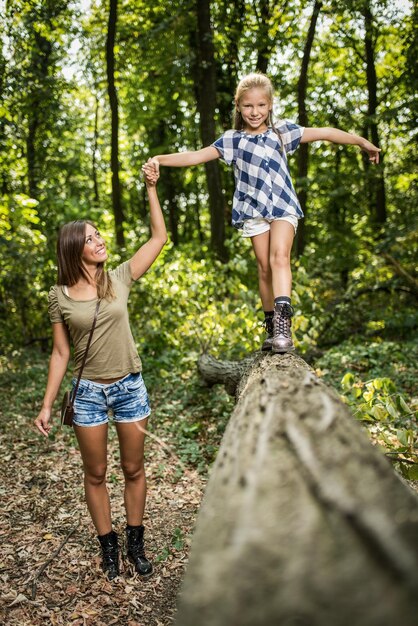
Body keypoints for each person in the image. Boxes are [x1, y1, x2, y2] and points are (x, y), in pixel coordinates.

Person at [143, 72, 380, 352]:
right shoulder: (233, 140)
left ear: (270, 105)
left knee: (279, 256)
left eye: (261, 105)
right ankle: (270, 327)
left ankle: (283, 328)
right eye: (247, 106)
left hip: (282, 205)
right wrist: (159, 159)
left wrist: (362, 142)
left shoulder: (283, 132)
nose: (254, 112)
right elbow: (196, 155)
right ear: (238, 106)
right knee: (264, 268)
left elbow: (326, 133)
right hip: (253, 211)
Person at [34, 167, 167, 581]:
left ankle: (135, 543)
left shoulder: (120, 278)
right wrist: (47, 404)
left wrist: (150, 189)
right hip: (88, 393)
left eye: (98, 235)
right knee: (95, 474)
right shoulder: (58, 295)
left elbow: (159, 238)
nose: (99, 240)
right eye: (90, 238)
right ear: (76, 249)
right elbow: (60, 353)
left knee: (133, 469)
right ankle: (108, 549)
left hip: (130, 387)